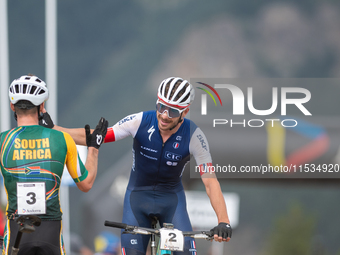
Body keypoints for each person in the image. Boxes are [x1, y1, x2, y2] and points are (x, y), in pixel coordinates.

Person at [40, 77, 232, 255]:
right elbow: (96, 137)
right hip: (138, 198)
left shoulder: (194, 136)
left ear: (185, 112)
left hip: (172, 202)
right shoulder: (140, 121)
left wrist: (223, 220)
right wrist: (55, 130)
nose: (164, 115)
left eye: (172, 111)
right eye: (161, 107)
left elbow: (210, 182)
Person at [0, 74, 108, 255]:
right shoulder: (62, 139)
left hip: (16, 230)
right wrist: (93, 149)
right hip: (50, 232)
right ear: (42, 107)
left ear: (12, 106)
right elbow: (86, 183)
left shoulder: (3, 141)